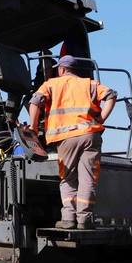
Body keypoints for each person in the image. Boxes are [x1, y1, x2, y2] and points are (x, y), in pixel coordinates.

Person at [28, 55, 117, 230]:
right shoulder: (89, 83)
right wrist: (102, 118)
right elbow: (111, 95)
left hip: (65, 138)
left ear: (61, 69)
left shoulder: (51, 84)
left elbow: (35, 101)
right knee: (88, 178)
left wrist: (32, 127)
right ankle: (85, 220)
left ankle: (68, 218)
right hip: (90, 135)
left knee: (68, 178)